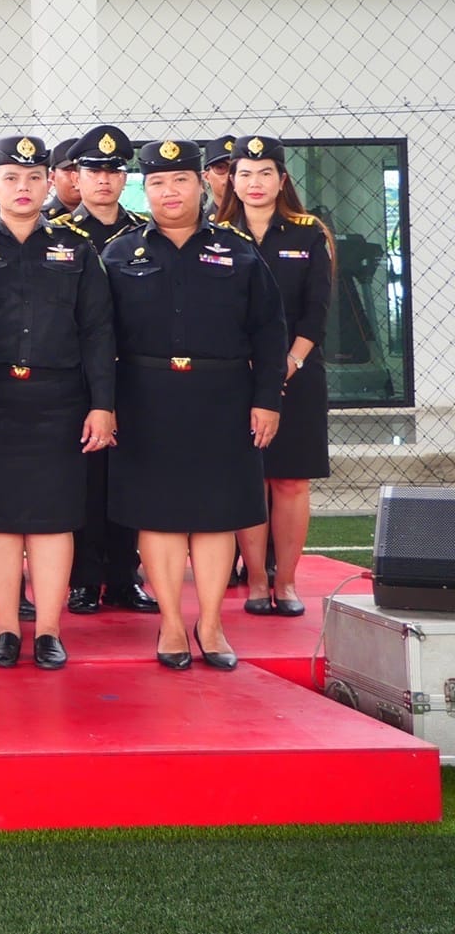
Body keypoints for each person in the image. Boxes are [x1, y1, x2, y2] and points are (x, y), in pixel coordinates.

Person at [105, 140, 287, 672]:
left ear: (204, 185)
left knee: (215, 517)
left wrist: (267, 400)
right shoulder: (119, 253)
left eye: (180, 180)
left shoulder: (239, 251)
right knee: (157, 518)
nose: (169, 192)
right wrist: (105, 404)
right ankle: (170, 622)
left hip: (222, 397)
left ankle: (210, 623)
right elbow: (97, 336)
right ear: (147, 188)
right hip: (145, 397)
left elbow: (269, 333)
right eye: (157, 182)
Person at [0, 136, 117, 671]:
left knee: (53, 520)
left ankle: (48, 630)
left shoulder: (76, 248)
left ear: (50, 182)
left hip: (59, 401)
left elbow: (98, 333)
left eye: (33, 178)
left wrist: (103, 405)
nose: (22, 188)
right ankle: (6, 628)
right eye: (10, 178)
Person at [217, 134, 334, 619]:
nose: (255, 182)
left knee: (289, 482)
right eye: (244, 173)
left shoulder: (308, 233)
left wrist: (290, 360)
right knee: (249, 478)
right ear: (232, 182)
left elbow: (317, 310)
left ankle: (285, 581)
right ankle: (257, 581)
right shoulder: (217, 234)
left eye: (265, 173)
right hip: (235, 376)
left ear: (282, 179)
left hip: (297, 373)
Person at [56, 125, 155, 616]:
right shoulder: (58, 231)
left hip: (131, 373)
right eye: (93, 171)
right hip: (78, 373)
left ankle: (122, 576)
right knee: (85, 479)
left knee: (128, 477)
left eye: (114, 171)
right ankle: (82, 577)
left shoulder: (142, 230)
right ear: (76, 175)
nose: (103, 181)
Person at [45, 139, 83, 216]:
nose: (76, 177)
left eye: (83, 170)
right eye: (69, 170)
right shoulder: (37, 219)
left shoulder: (110, 217)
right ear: (52, 177)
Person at [203, 134, 238, 212]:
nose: (230, 175)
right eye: (220, 167)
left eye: (237, 167)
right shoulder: (200, 223)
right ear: (206, 176)